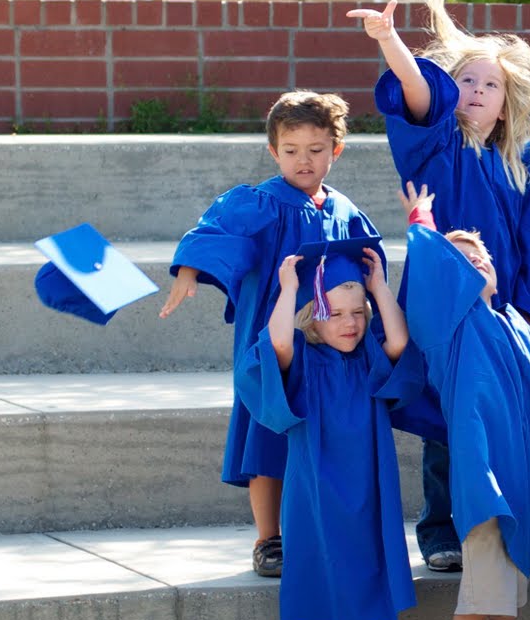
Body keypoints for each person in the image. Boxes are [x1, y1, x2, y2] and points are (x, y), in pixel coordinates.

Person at [351, 0, 530, 574]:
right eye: (466, 80)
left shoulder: (514, 165)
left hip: (498, 308)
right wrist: (390, 42)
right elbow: (417, 92)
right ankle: (441, 529)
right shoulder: (437, 147)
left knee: (495, 415)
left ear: (509, 100)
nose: (479, 90)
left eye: (492, 83)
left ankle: (493, 519)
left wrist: (526, 308)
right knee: (444, 415)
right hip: (443, 307)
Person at [161, 90, 381, 577]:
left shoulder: (344, 209)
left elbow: (369, 267)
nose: (304, 161)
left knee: (319, 433)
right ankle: (269, 538)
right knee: (267, 432)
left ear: (336, 150)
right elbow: (215, 231)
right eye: (291, 150)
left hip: (328, 349)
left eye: (316, 149)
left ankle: (318, 528)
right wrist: (189, 272)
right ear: (273, 151)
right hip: (273, 343)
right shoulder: (262, 202)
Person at [237, 239, 423, 620]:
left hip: (364, 492)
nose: (349, 323)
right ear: (310, 317)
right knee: (308, 584)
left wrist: (380, 288)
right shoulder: (302, 359)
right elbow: (275, 344)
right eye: (334, 313)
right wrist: (288, 289)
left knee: (355, 583)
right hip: (313, 494)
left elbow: (400, 343)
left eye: (357, 312)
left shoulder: (367, 360)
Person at [399, 185, 530, 620]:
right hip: (483, 473)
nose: (473, 265)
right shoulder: (453, 327)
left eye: (481, 257)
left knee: (512, 583)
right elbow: (427, 270)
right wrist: (422, 220)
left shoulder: (522, 330)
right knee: (484, 587)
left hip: (526, 476)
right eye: (460, 261)